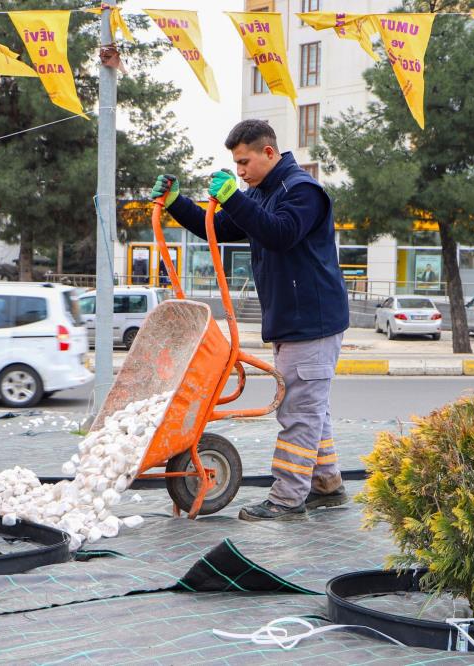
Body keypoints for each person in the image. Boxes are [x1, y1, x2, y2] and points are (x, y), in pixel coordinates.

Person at [150, 119, 350, 522]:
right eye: (236, 165)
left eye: (244, 162)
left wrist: (234, 198)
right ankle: (326, 485)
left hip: (312, 322)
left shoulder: (302, 192)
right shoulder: (264, 194)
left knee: (298, 413)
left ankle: (287, 498)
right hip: (296, 320)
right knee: (310, 408)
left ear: (269, 153)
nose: (240, 172)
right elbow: (223, 227)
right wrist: (177, 203)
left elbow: (280, 233)